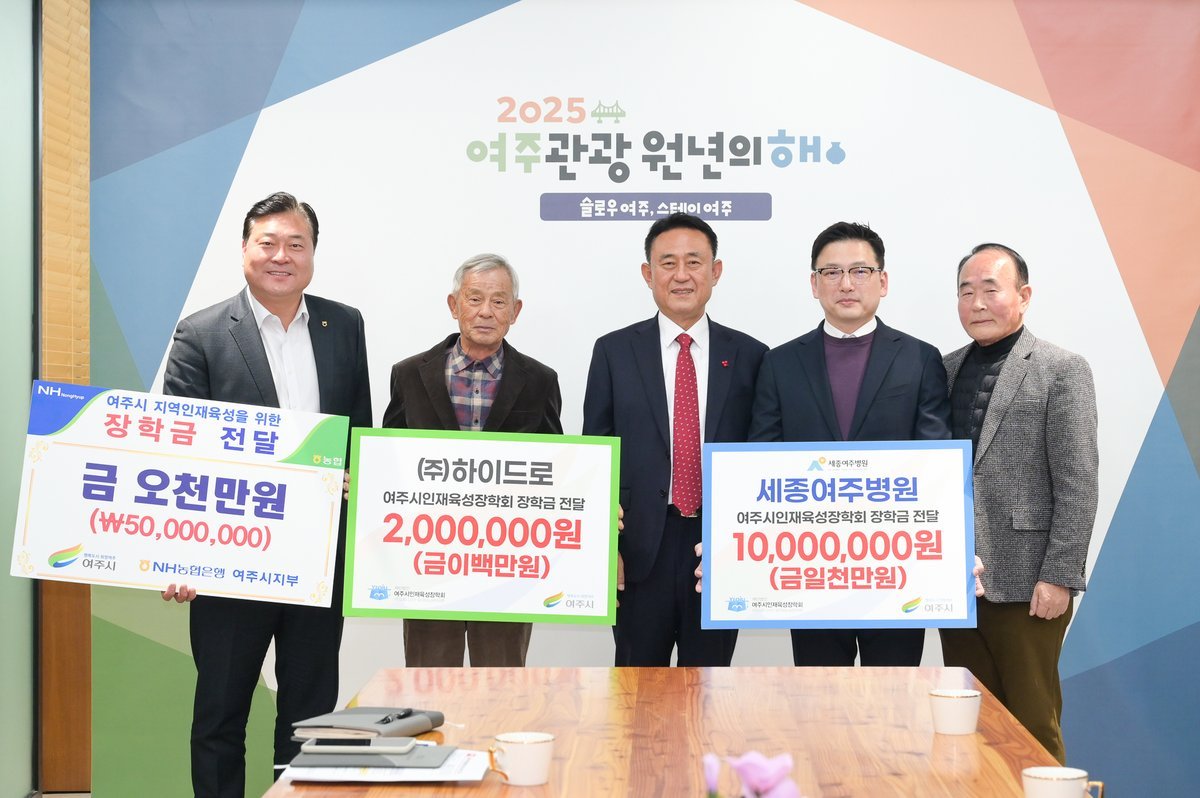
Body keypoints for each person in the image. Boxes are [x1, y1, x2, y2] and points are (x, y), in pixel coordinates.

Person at [159, 191, 372, 797]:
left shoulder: (344, 324)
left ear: (312, 253)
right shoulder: (201, 333)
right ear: (245, 249)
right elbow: (179, 453)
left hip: (318, 558)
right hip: (232, 558)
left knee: (310, 719)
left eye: (296, 244)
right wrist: (179, 554)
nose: (282, 256)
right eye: (268, 243)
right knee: (221, 715)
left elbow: (357, 426)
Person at [750, 221, 951, 667]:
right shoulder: (780, 363)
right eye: (832, 272)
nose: (846, 284)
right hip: (810, 567)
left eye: (860, 271)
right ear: (814, 284)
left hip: (896, 567)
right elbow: (761, 462)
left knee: (895, 695)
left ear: (883, 281)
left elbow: (935, 462)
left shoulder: (920, 358)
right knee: (818, 697)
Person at [583, 213, 767, 666]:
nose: (681, 275)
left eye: (694, 262)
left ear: (715, 271)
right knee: (636, 690)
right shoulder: (613, 352)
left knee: (710, 687)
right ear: (648, 273)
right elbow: (596, 457)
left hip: (719, 549)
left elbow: (761, 458)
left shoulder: (752, 355)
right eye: (668, 263)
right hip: (638, 549)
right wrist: (606, 550)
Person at [939, 243, 1097, 764]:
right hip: (957, 586)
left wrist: (1059, 576)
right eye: (966, 291)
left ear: (1023, 296)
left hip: (1029, 582)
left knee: (1032, 727)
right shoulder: (943, 369)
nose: (977, 302)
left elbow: (1078, 481)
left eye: (991, 289)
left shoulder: (1061, 369)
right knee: (970, 727)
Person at [382, 253, 562, 666]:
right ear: (454, 305)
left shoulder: (540, 381)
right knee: (428, 683)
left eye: (499, 301)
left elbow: (556, 470)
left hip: (507, 567)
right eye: (474, 298)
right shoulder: (409, 375)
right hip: (428, 563)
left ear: (515, 312)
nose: (485, 311)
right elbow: (388, 462)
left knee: (502, 685)